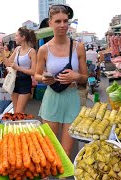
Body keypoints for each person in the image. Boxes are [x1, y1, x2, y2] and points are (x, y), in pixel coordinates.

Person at [35, 4, 88, 157]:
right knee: (50, 148)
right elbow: (37, 75)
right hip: (52, 98)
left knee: (66, 151)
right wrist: (44, 78)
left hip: (72, 99)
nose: (63, 25)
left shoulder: (78, 47)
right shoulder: (44, 49)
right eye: (58, 21)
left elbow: (85, 78)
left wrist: (76, 77)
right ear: (50, 23)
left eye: (65, 21)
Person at [0, 27, 37, 113]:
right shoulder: (17, 49)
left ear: (23, 37)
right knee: (16, 111)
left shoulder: (32, 52)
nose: (15, 38)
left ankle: (22, 125)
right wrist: (2, 53)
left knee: (19, 112)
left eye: (16, 36)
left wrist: (18, 68)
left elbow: (33, 71)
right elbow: (8, 63)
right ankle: (20, 126)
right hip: (14, 82)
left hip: (25, 82)